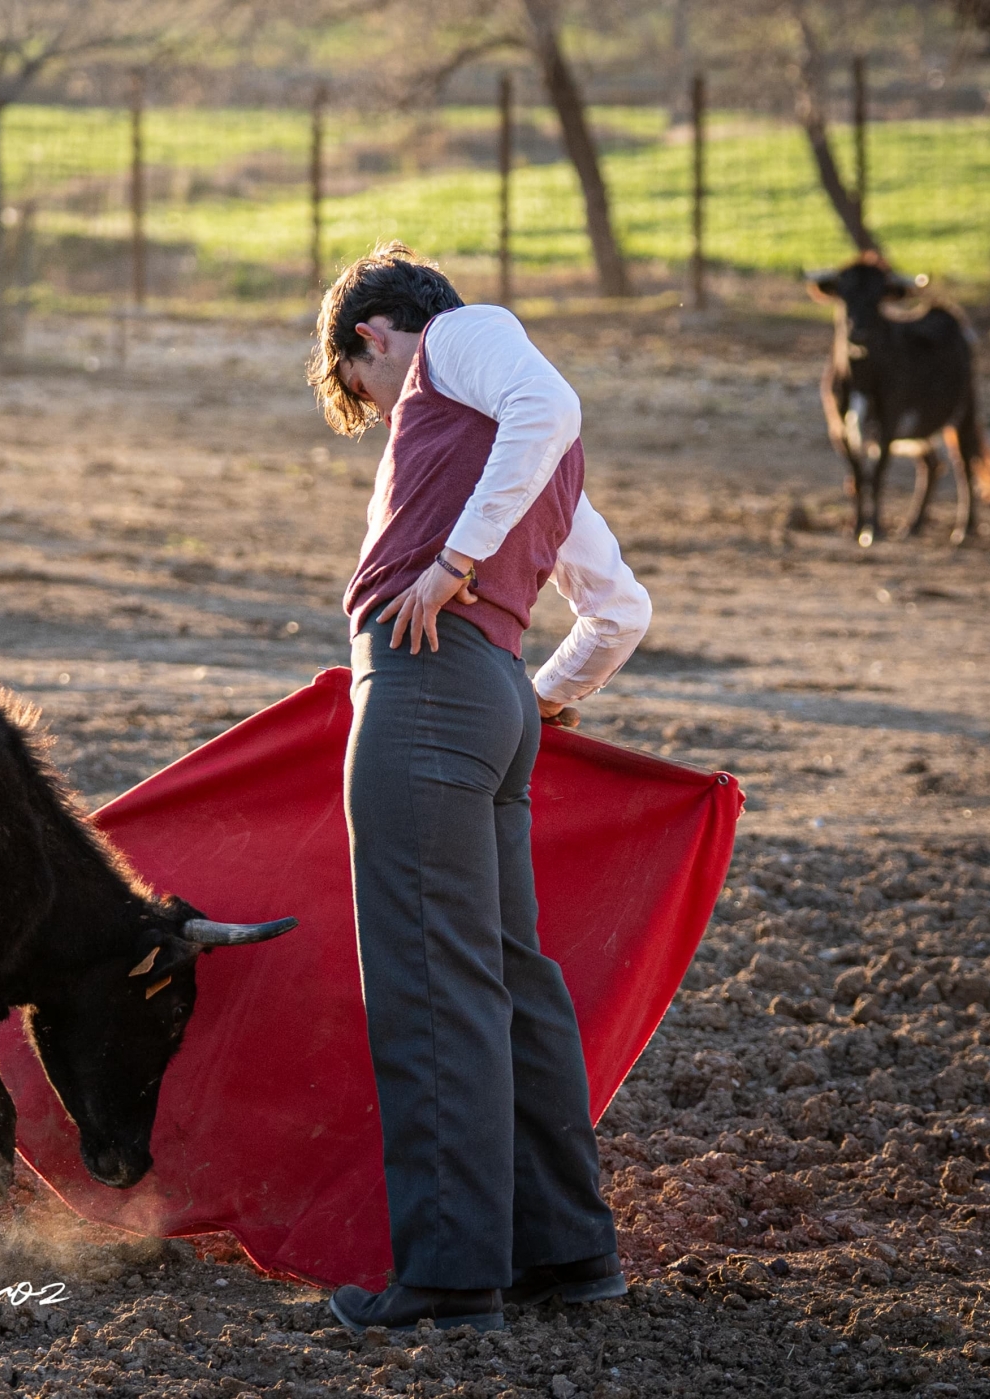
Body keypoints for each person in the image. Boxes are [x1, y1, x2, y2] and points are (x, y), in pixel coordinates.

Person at [308, 243, 651, 1333]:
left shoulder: (457, 341)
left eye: (359, 389)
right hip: (490, 694)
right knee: (506, 976)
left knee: (428, 977)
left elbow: (549, 397)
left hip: (426, 685)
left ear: (369, 337)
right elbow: (617, 609)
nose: (376, 407)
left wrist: (450, 566)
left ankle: (451, 1278)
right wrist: (538, 696)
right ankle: (563, 1253)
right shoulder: (532, 461)